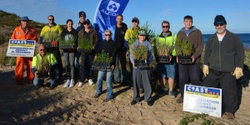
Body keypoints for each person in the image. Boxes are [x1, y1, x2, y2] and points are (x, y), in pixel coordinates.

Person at [202, 15, 244, 120]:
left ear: (225, 24)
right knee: (207, 87)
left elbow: (240, 53)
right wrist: (205, 64)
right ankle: (209, 108)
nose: (219, 26)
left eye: (221, 24)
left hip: (228, 70)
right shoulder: (211, 38)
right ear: (215, 25)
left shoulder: (234, 38)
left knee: (229, 91)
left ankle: (230, 111)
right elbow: (207, 52)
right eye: (217, 24)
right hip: (213, 69)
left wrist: (239, 67)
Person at [176, 15, 204, 103]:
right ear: (184, 22)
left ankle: (197, 97)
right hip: (182, 60)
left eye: (190, 21)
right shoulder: (180, 32)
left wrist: (194, 56)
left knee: (195, 79)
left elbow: (201, 45)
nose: (188, 23)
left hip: (194, 61)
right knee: (183, 79)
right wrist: (177, 55)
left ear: (192, 22)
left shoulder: (197, 32)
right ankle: (183, 96)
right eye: (187, 21)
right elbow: (177, 46)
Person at [10, 16, 38, 85]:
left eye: (26, 21)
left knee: (31, 65)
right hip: (19, 51)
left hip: (29, 51)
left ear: (28, 22)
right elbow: (12, 39)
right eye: (23, 21)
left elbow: (35, 38)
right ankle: (19, 79)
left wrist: (30, 42)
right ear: (21, 22)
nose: (25, 23)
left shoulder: (32, 30)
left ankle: (31, 78)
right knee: (19, 65)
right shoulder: (16, 30)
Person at [129, 30, 154, 106]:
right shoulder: (134, 44)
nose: (142, 37)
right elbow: (131, 54)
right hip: (136, 67)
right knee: (136, 82)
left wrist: (148, 62)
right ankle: (136, 98)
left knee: (147, 82)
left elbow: (151, 54)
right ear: (138, 36)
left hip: (145, 66)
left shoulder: (148, 44)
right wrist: (133, 62)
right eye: (141, 35)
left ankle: (148, 98)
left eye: (144, 35)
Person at [155, 21, 177, 98]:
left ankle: (171, 90)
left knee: (171, 74)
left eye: (167, 26)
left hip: (171, 59)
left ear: (169, 27)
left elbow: (176, 47)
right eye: (163, 26)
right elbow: (155, 47)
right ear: (162, 27)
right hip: (161, 59)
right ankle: (163, 89)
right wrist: (156, 55)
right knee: (162, 75)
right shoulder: (157, 37)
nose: (165, 28)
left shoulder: (174, 36)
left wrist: (172, 55)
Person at [94, 30, 116, 102]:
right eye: (106, 35)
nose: (107, 36)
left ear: (111, 35)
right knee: (99, 79)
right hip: (102, 63)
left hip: (110, 64)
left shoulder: (113, 43)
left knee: (108, 81)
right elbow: (98, 51)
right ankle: (98, 91)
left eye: (109, 35)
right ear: (104, 35)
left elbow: (114, 55)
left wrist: (113, 64)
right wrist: (97, 56)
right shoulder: (102, 43)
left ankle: (110, 95)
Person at [77, 19, 98, 87]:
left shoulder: (93, 31)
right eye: (85, 24)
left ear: (89, 24)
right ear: (83, 25)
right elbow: (78, 40)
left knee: (90, 64)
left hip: (91, 51)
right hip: (83, 51)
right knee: (83, 65)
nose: (86, 25)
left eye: (87, 23)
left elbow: (96, 40)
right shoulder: (80, 32)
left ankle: (90, 78)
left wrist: (93, 47)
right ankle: (82, 79)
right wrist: (79, 46)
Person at [60, 19, 78, 88]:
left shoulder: (75, 32)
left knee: (71, 64)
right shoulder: (63, 32)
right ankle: (68, 78)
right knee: (67, 64)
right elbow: (61, 40)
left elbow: (76, 41)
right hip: (65, 50)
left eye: (71, 24)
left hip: (72, 51)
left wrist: (75, 46)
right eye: (69, 24)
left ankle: (72, 79)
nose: (70, 25)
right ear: (66, 24)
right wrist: (61, 46)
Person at [124, 17, 141, 88]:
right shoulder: (129, 31)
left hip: (140, 52)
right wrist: (127, 51)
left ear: (138, 23)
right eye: (133, 22)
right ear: (132, 23)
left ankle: (140, 83)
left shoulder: (141, 30)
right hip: (131, 52)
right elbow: (126, 42)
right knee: (132, 67)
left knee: (140, 67)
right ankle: (133, 83)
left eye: (136, 22)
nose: (134, 23)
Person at [113, 14, 128, 86]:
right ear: (116, 19)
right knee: (115, 64)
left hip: (122, 49)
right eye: (118, 18)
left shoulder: (125, 27)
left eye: (121, 19)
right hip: (115, 49)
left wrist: (126, 49)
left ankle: (124, 80)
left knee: (123, 65)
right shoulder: (113, 27)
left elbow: (127, 39)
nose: (119, 20)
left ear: (122, 19)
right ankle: (117, 79)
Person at [73, 11, 87, 79]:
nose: (82, 18)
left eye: (83, 16)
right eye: (81, 16)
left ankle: (84, 74)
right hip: (77, 46)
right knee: (75, 60)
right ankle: (77, 74)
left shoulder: (88, 24)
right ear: (79, 17)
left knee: (84, 61)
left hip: (85, 46)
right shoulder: (75, 25)